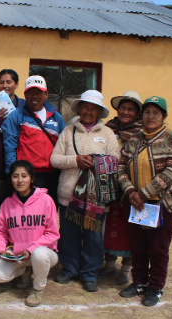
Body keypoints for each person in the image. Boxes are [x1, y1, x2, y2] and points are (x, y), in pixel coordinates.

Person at [117, 96, 172, 307]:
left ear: (163, 116)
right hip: (136, 204)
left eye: (156, 113)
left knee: (158, 249)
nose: (151, 116)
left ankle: (155, 287)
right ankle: (139, 282)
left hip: (160, 205)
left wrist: (144, 193)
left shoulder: (170, 139)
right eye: (147, 112)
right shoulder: (134, 139)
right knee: (138, 246)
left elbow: (171, 171)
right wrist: (130, 192)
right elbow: (121, 168)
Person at [50, 90, 120, 292]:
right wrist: (75, 160)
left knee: (93, 239)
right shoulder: (68, 131)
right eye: (85, 107)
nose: (88, 111)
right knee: (69, 236)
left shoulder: (107, 135)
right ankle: (69, 269)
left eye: (93, 108)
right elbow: (54, 159)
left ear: (99, 112)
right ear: (79, 109)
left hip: (95, 198)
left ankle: (90, 273)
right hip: (68, 196)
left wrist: (97, 162)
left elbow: (115, 162)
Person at [0, 160, 60, 307]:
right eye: (15, 176)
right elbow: (0, 231)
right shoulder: (7, 204)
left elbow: (52, 233)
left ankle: (37, 289)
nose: (20, 180)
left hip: (44, 254)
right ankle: (24, 271)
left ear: (32, 178)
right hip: (18, 254)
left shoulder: (46, 200)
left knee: (39, 254)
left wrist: (31, 249)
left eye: (24, 176)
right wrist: (1, 249)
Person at [100, 91, 144, 285]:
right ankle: (109, 265)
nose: (126, 112)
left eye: (131, 109)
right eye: (123, 108)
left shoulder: (143, 133)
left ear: (137, 113)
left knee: (130, 228)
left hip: (131, 187)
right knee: (109, 226)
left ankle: (126, 268)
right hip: (108, 186)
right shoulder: (108, 128)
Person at [2, 75, 65, 206]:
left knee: (48, 211)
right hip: (27, 176)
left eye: (38, 92)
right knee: (27, 212)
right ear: (25, 94)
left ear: (46, 94)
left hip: (52, 175)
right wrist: (12, 174)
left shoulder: (56, 117)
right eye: (30, 92)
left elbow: (64, 144)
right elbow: (9, 147)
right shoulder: (16, 116)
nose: (34, 96)